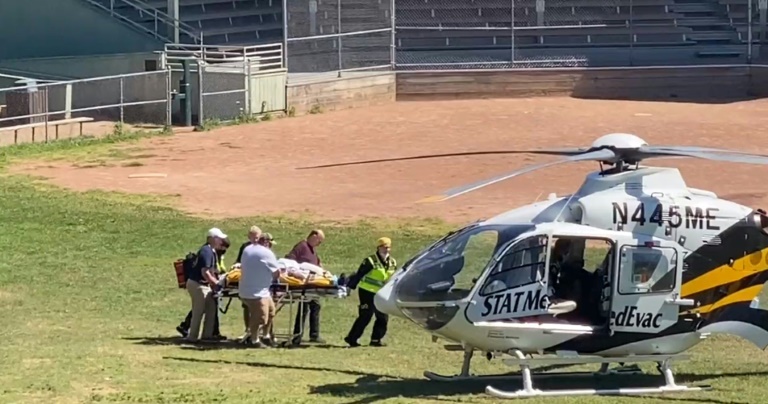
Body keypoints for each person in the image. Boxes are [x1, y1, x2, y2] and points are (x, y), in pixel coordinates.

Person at [344, 237, 398, 348]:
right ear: (378, 247)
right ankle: (352, 339)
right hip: (367, 291)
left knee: (382, 316)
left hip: (381, 293)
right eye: (384, 247)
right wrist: (350, 287)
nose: (386, 249)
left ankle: (376, 339)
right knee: (366, 315)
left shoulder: (393, 262)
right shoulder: (370, 261)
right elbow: (359, 274)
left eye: (388, 247)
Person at [177, 237, 230, 339]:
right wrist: (217, 284)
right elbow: (205, 272)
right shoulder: (206, 251)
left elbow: (213, 271)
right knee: (198, 311)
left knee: (211, 308)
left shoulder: (212, 252)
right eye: (221, 242)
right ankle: (192, 337)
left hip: (206, 285)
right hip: (198, 284)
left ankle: (207, 335)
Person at [239, 232, 280, 348]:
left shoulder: (247, 249)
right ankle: (253, 340)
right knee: (261, 317)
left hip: (250, 289)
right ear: (266, 242)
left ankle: (266, 336)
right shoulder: (267, 253)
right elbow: (276, 273)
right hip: (257, 292)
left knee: (271, 312)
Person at [286, 229, 325, 345]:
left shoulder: (312, 250)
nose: (319, 244)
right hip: (303, 283)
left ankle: (314, 334)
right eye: (319, 241)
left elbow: (317, 263)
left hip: (313, 283)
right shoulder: (301, 246)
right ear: (313, 236)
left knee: (316, 306)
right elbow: (290, 259)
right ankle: (297, 335)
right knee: (303, 308)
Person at [234, 226, 262, 340]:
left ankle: (259, 332)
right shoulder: (245, 247)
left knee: (259, 307)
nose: (255, 240)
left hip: (258, 281)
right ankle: (247, 330)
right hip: (246, 280)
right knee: (246, 306)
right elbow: (239, 261)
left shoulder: (262, 248)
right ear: (249, 236)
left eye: (257, 237)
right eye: (253, 237)